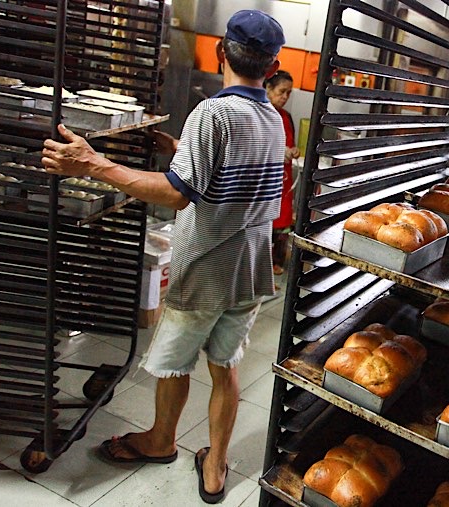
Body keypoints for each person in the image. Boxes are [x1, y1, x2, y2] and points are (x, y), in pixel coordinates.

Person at [41, 10, 286, 504]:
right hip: (249, 269)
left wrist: (93, 162)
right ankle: (215, 467)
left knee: (174, 365)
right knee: (225, 367)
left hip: (205, 272)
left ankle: (159, 441)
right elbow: (227, 176)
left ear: (221, 51)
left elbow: (176, 195)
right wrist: (181, 150)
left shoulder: (213, 113)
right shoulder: (271, 119)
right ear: (273, 65)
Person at [264, 70, 299, 276]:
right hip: (266, 180)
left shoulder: (287, 117)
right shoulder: (262, 114)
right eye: (281, 91)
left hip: (283, 181)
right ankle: (260, 265)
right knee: (265, 222)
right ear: (268, 89)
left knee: (282, 222)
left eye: (289, 93)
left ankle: (275, 262)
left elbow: (290, 143)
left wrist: (293, 151)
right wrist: (278, 151)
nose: (285, 97)